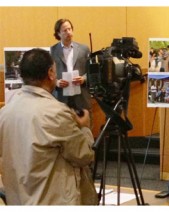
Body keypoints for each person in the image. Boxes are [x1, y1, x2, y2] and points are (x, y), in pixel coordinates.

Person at [0, 48, 98, 205]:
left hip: (17, 200)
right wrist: (84, 128)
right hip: (51, 200)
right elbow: (84, 155)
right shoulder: (56, 113)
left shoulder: (4, 112)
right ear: (51, 73)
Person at [50, 19, 92, 114]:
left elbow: (91, 71)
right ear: (58, 33)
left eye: (70, 29)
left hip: (81, 96)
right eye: (65, 30)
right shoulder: (53, 51)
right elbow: (49, 73)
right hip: (61, 97)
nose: (68, 32)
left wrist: (83, 79)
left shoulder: (84, 49)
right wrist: (56, 82)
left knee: (84, 127)